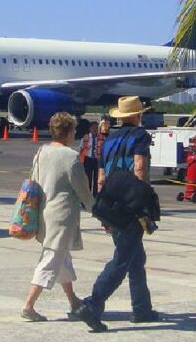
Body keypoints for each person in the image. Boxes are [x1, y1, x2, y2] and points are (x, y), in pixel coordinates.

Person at [74, 96, 157, 332]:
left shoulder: (108, 139)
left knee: (135, 257)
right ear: (137, 115)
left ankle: (142, 308)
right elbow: (139, 167)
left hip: (111, 204)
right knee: (121, 259)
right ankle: (93, 304)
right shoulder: (140, 137)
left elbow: (100, 177)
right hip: (131, 205)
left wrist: (104, 211)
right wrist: (142, 202)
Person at [22, 112, 94, 322]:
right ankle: (28, 305)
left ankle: (73, 301)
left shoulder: (42, 151)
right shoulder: (70, 156)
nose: (74, 133)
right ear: (68, 132)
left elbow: (33, 180)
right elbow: (83, 190)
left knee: (62, 259)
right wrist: (95, 209)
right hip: (61, 217)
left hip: (43, 212)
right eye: (73, 130)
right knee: (51, 259)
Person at [78, 121, 101, 196]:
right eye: (93, 128)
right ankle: (87, 195)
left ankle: (95, 195)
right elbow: (81, 148)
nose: (95, 130)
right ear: (90, 129)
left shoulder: (101, 138)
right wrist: (80, 160)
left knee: (97, 178)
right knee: (88, 178)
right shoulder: (86, 137)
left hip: (97, 159)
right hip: (88, 159)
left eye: (96, 128)